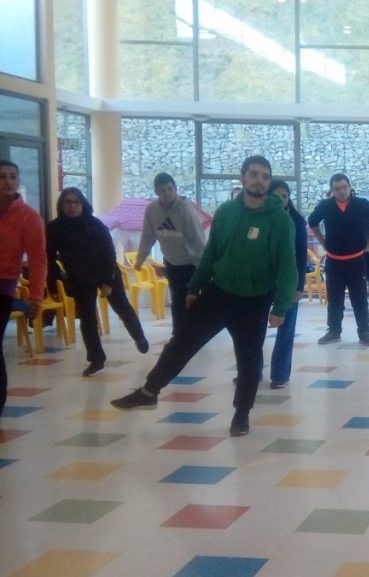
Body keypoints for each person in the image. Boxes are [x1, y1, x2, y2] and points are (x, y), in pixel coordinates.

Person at [110, 156, 297, 438]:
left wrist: (281, 306)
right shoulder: (226, 212)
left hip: (254, 300)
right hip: (218, 292)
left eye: (265, 176)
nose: (260, 181)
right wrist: (195, 286)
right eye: (254, 174)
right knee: (181, 342)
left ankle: (241, 414)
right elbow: (211, 253)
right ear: (243, 178)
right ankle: (148, 392)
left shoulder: (280, 219)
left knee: (249, 360)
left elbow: (287, 265)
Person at [47, 187, 149, 377]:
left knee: (122, 307)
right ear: (61, 205)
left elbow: (109, 252)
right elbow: (49, 258)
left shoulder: (94, 224)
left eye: (76, 202)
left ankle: (139, 336)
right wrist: (53, 283)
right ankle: (96, 359)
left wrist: (107, 282)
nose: (72, 206)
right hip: (79, 278)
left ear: (82, 204)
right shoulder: (54, 228)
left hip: (106, 271)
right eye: (68, 202)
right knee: (87, 319)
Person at [308, 173, 369, 347]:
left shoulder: (361, 204)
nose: (341, 191)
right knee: (334, 298)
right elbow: (312, 222)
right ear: (332, 190)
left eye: (344, 187)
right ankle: (334, 331)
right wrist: (323, 242)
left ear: (350, 187)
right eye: (337, 188)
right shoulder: (325, 206)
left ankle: (364, 332)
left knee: (359, 298)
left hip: (356, 261)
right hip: (334, 261)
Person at [134, 172, 206, 337]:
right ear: (156, 191)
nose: (167, 193)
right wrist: (140, 259)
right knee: (177, 300)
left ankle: (191, 333)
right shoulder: (152, 210)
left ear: (175, 188)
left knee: (190, 300)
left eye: (170, 189)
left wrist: (204, 267)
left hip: (190, 264)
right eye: (162, 190)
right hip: (171, 263)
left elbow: (198, 240)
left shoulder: (186, 209)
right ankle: (179, 334)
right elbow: (147, 236)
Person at [0, 160, 46, 418]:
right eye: (2, 177)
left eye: (12, 176)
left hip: (4, 285)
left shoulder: (28, 217)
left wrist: (36, 296)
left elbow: (38, 259)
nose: (8, 181)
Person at [265, 180, 307, 390]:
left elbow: (301, 256)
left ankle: (280, 374)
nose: (281, 200)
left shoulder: (296, 220)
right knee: (253, 329)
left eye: (285, 196)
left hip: (288, 282)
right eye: (276, 196)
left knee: (286, 328)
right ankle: (249, 370)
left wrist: (299, 286)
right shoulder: (259, 218)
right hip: (262, 282)